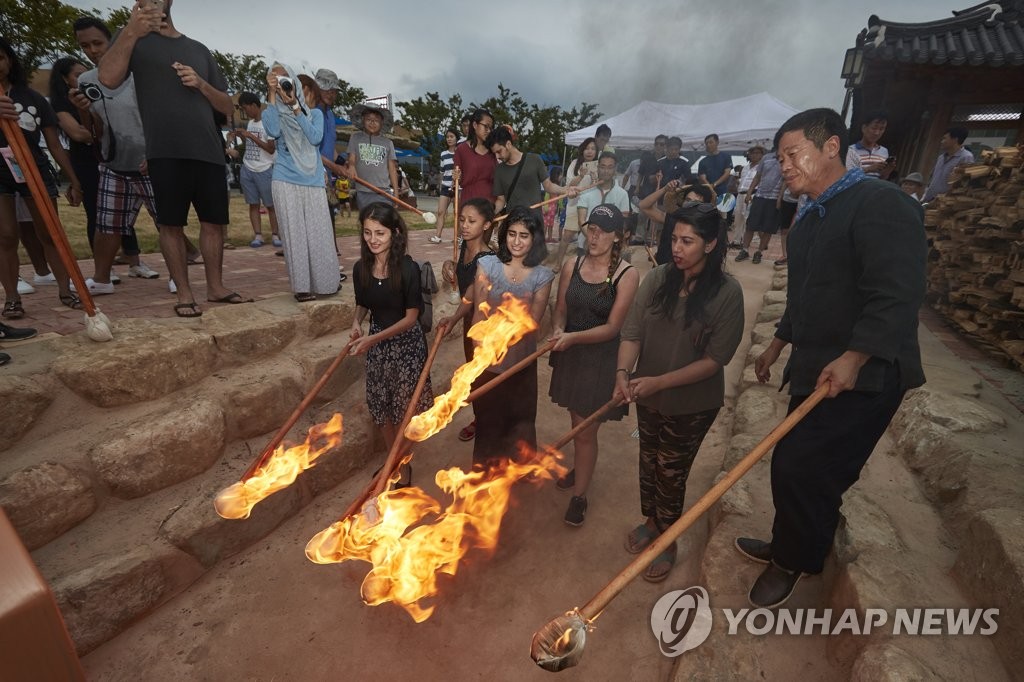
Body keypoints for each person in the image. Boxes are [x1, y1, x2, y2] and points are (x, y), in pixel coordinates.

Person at [741, 107, 926, 608]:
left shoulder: (880, 203)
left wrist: (856, 355)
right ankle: (791, 545)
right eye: (780, 159)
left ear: (831, 148)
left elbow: (896, 292)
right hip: (816, 366)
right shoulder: (806, 224)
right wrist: (778, 344)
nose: (785, 166)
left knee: (807, 467)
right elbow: (803, 299)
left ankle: (795, 560)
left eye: (793, 153)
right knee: (795, 463)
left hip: (868, 372)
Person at [616, 201, 743, 582]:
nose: (677, 247)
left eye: (688, 241)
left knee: (671, 471)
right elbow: (632, 332)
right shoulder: (657, 280)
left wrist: (659, 382)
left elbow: (714, 360)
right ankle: (653, 521)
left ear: (710, 243)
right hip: (647, 395)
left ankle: (668, 540)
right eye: (674, 238)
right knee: (649, 459)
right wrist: (623, 373)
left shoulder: (726, 293)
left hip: (692, 403)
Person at [98, 0, 249, 317]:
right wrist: (130, 31)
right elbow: (108, 78)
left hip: (208, 150)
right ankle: (183, 293)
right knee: (170, 224)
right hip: (164, 150)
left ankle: (216, 288)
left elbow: (226, 106)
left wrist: (201, 84)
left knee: (213, 223)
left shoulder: (198, 49)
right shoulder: (132, 39)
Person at [549, 204, 639, 526]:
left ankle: (580, 496)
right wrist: (559, 328)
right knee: (577, 424)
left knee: (585, 432)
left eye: (603, 230)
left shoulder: (626, 275)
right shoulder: (573, 263)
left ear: (618, 237)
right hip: (570, 355)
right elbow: (560, 308)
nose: (594, 235)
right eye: (591, 228)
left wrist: (572, 338)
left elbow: (613, 328)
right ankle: (580, 466)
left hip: (600, 361)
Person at [72, 16, 164, 292]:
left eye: (98, 43)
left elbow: (162, 116)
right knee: (107, 224)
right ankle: (101, 279)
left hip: (152, 161)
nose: (92, 50)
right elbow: (95, 131)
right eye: (84, 46)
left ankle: (178, 277)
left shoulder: (141, 73)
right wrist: (83, 110)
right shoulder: (87, 80)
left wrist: (157, 152)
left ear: (111, 39)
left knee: (168, 223)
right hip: (115, 164)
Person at [0, 37, 85, 320]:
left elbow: (54, 143)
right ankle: (12, 298)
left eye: (1, 57)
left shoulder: (32, 98)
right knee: (6, 236)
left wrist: (73, 179)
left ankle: (65, 289)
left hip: (33, 168)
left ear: (10, 61)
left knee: (50, 231)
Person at [350, 203, 434, 485]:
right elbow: (363, 302)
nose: (373, 239)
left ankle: (404, 468)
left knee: (403, 414)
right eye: (368, 232)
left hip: (406, 348)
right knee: (382, 410)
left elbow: (411, 318)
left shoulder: (408, 269)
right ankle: (392, 461)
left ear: (395, 233)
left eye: (380, 233)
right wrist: (356, 322)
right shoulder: (361, 268)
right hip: (378, 348)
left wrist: (372, 338)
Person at [469, 206, 554, 470]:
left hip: (520, 364)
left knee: (520, 419)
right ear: (504, 235)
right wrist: (480, 352)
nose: (516, 242)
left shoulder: (542, 275)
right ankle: (484, 471)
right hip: (489, 363)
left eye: (524, 236)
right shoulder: (487, 266)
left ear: (534, 239)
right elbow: (478, 313)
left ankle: (519, 469)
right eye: (512, 234)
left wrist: (505, 341)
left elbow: (532, 323)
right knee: (488, 419)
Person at [261, 64, 339, 302]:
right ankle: (302, 288)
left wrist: (296, 106)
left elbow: (315, 138)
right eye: (277, 79)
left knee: (319, 234)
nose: (291, 90)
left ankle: (326, 283)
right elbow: (273, 131)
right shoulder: (272, 111)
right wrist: (273, 94)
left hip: (313, 180)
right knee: (294, 235)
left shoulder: (315, 115)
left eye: (292, 85)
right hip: (285, 179)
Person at [437, 197, 497, 442]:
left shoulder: (488, 258)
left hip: (483, 328)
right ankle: (481, 418)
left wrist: (452, 318)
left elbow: (473, 298)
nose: (464, 225)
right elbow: (462, 287)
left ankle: (488, 422)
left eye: (472, 221)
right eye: (462, 219)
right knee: (474, 378)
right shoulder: (464, 247)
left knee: (484, 377)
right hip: (467, 325)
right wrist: (449, 264)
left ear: (486, 225)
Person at [487, 126, 576, 215]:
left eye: (499, 151)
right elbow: (501, 200)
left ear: (508, 144)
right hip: (513, 223)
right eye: (494, 153)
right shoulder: (499, 170)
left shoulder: (534, 160)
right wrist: (490, 214)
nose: (497, 157)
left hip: (535, 221)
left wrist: (565, 190)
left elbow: (548, 186)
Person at [232, 91, 280, 249]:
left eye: (246, 108)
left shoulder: (268, 122)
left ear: (254, 105)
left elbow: (271, 149)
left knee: (270, 205)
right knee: (253, 204)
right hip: (248, 167)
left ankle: (275, 234)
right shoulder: (251, 123)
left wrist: (251, 136)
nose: (245, 112)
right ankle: (258, 235)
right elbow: (252, 145)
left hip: (265, 169)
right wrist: (242, 137)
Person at [639, 180, 715, 265]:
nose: (690, 205)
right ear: (682, 202)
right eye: (688, 200)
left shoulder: (708, 229)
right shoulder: (671, 218)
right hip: (663, 272)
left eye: (696, 202)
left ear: (704, 207)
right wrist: (665, 189)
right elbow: (644, 206)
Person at [737, 136, 783, 264]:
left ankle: (759, 252)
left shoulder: (786, 159)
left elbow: (785, 180)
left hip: (774, 198)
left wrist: (780, 198)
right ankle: (744, 250)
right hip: (760, 196)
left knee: (768, 228)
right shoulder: (766, 158)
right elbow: (758, 176)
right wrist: (750, 192)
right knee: (751, 225)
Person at [346, 103, 399, 211]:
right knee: (367, 220)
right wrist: (351, 166)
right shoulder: (355, 138)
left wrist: (396, 194)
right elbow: (351, 159)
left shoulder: (388, 143)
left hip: (383, 191)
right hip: (363, 191)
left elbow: (392, 169)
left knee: (383, 222)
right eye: (369, 119)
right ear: (362, 120)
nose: (372, 123)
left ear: (381, 123)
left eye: (376, 120)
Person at [453, 108, 496, 207]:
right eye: (486, 126)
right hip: (469, 202)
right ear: (475, 125)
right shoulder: (461, 149)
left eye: (491, 128)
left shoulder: (493, 150)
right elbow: (456, 181)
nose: (489, 131)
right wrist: (455, 178)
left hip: (489, 204)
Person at [923, 126, 974, 203]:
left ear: (955, 139)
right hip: (929, 199)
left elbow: (963, 185)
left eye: (945, 138)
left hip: (944, 204)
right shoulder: (941, 157)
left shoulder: (966, 157)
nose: (942, 141)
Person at [429, 128, 459, 243]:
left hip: (458, 187)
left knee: (457, 213)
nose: (449, 139)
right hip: (445, 187)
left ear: (457, 138)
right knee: (441, 211)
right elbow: (442, 172)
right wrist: (440, 185)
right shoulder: (443, 154)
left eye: (452, 136)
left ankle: (457, 238)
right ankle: (437, 236)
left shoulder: (461, 153)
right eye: (447, 137)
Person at [845, 111, 895, 179]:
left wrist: (887, 172)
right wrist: (869, 169)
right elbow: (846, 177)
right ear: (864, 128)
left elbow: (881, 179)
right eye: (874, 128)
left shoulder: (884, 151)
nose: (877, 133)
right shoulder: (850, 150)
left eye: (881, 129)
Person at [731, 146, 764, 247]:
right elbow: (743, 180)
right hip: (740, 194)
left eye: (757, 153)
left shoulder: (761, 168)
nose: (754, 155)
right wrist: (738, 181)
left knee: (747, 218)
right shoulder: (745, 167)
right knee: (738, 218)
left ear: (762, 155)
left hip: (752, 194)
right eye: (752, 153)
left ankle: (747, 242)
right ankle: (736, 241)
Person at [698, 133, 733, 198]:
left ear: (717, 142)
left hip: (722, 191)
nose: (708, 145)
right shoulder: (702, 161)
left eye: (711, 142)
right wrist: (710, 187)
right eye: (707, 143)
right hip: (708, 192)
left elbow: (727, 173)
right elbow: (702, 178)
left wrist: (714, 184)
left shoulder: (726, 157)